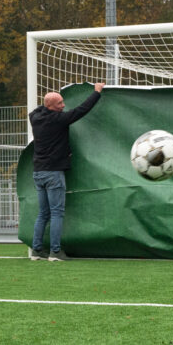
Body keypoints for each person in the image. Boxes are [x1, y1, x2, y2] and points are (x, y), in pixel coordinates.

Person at [28, 83, 105, 261]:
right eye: (59, 104)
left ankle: (37, 250)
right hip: (53, 173)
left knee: (43, 213)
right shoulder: (58, 120)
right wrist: (97, 93)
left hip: (38, 172)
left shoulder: (35, 117)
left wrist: (50, 100)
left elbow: (39, 109)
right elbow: (81, 110)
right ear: (50, 107)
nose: (63, 106)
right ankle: (55, 252)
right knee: (56, 213)